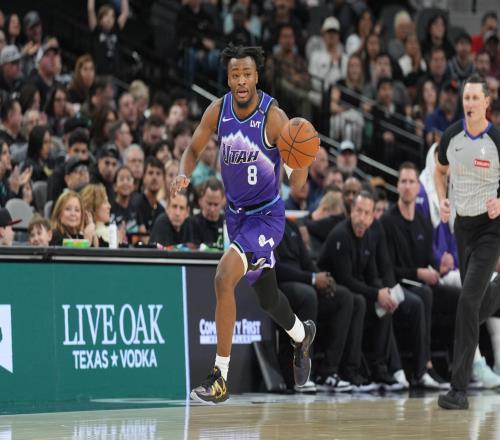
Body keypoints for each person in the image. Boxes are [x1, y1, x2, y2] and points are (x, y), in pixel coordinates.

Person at [171, 44, 316, 404]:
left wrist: (301, 160)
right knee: (268, 298)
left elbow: (298, 183)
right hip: (235, 217)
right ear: (228, 78)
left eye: (246, 74)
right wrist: (182, 173)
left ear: (256, 77)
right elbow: (192, 150)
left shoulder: (274, 118)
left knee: (224, 277)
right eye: (235, 74)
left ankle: (220, 377)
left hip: (266, 217)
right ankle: (301, 335)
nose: (240, 80)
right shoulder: (218, 111)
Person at [436, 74, 500, 410]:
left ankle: (458, 390)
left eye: (475, 98)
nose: (470, 103)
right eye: (466, 98)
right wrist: (442, 199)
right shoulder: (451, 136)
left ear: (487, 102)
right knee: (473, 306)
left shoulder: (497, 140)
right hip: (462, 228)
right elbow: (439, 170)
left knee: (467, 302)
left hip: (491, 229)